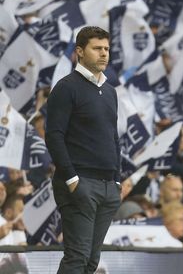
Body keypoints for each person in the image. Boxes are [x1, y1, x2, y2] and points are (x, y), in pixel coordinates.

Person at [45, 26, 122, 273]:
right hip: (80, 183)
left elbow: (113, 136)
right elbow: (54, 135)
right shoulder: (66, 87)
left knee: (91, 261)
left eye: (107, 49)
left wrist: (117, 180)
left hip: (108, 187)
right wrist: (71, 179)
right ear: (80, 51)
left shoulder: (110, 92)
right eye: (97, 48)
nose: (103, 54)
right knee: (77, 258)